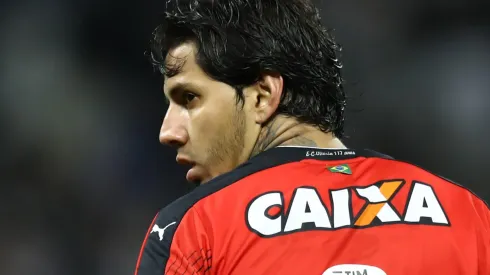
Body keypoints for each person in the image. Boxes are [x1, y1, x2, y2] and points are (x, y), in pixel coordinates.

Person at [134, 0, 490, 274]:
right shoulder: (466, 213)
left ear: (262, 95)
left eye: (189, 98)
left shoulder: (194, 229)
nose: (169, 132)